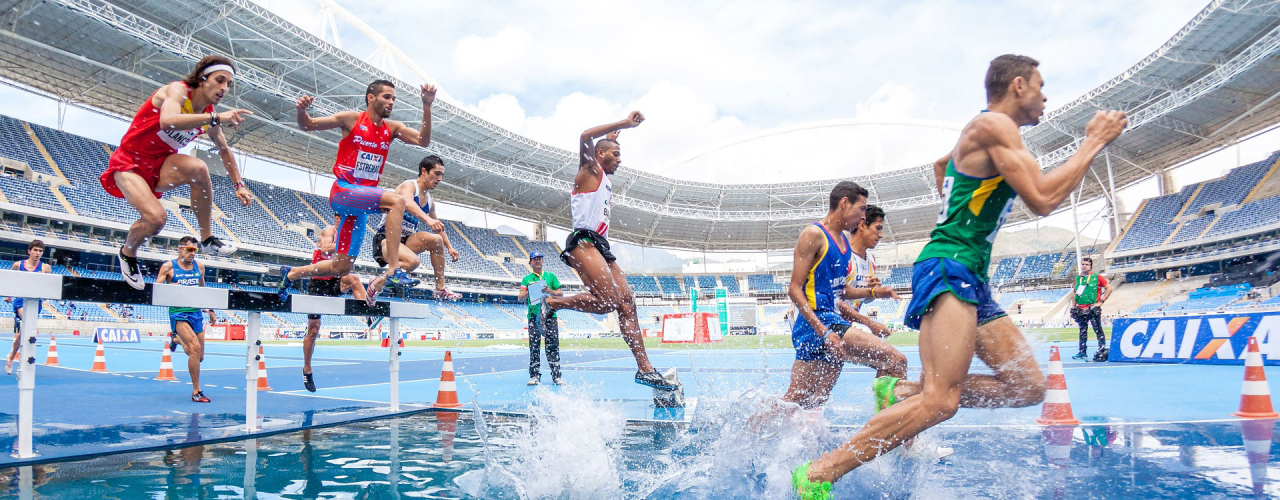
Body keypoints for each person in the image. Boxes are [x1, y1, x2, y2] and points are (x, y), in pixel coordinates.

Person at [792, 54, 1127, 497]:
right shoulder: (994, 126)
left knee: (1027, 386)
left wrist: (959, 215)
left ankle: (901, 390)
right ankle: (818, 474)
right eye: (1041, 86)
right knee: (941, 401)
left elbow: (940, 166)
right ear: (1019, 86)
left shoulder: (982, 135)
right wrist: (1092, 143)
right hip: (950, 266)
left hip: (969, 270)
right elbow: (1043, 199)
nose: (1046, 97)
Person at [537, 114, 678, 390]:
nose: (620, 159)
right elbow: (585, 136)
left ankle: (645, 369)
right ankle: (552, 303)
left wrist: (614, 136)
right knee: (607, 301)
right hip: (583, 242)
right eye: (615, 154)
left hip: (602, 246)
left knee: (627, 303)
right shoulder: (589, 170)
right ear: (599, 155)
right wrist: (623, 123)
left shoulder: (602, 172)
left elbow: (603, 142)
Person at [278, 79, 437, 304]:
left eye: (394, 99)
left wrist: (427, 106)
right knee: (397, 201)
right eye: (386, 97)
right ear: (371, 98)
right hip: (344, 191)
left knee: (341, 266)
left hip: (361, 204)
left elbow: (423, 141)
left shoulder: (392, 129)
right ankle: (393, 270)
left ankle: (291, 273)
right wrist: (302, 111)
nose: (391, 102)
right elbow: (308, 125)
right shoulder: (350, 119)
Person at [101, 55, 253, 289]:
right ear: (202, 79)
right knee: (156, 219)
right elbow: (168, 121)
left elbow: (224, 150)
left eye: (229, 84)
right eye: (220, 80)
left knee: (199, 169)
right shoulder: (178, 91)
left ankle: (207, 238)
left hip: (160, 165)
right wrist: (215, 117)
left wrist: (238, 185)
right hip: (130, 162)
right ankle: (128, 253)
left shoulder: (209, 114)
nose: (224, 88)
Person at [778, 188, 903, 412]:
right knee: (896, 360)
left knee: (804, 399)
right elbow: (794, 289)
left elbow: (841, 290)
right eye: (862, 208)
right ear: (844, 203)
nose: (863, 217)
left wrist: (872, 293)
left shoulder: (843, 243)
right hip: (818, 321)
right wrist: (824, 332)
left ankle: (750, 428)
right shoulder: (814, 234)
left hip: (828, 323)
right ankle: (892, 435)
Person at [372, 155, 461, 300]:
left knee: (436, 239)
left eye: (442, 175)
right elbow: (406, 202)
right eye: (437, 174)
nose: (440, 179)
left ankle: (440, 288)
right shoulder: (409, 185)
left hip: (405, 241)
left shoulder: (430, 202)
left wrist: (449, 247)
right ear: (424, 171)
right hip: (386, 240)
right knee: (412, 262)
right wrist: (427, 219)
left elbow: (437, 225)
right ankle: (378, 283)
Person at [301, 220, 368, 392]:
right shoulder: (329, 230)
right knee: (314, 331)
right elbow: (325, 248)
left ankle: (368, 313)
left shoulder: (348, 235)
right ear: (338, 219)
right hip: (317, 283)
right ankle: (307, 368)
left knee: (354, 280)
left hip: (334, 280)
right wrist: (347, 245)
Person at [156, 236, 212, 403]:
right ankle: (196, 391)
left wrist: (210, 310)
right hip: (179, 313)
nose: (193, 253)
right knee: (194, 348)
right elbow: (156, 290)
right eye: (190, 249)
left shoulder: (199, 267)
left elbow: (203, 289)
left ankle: (177, 340)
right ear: (180, 249)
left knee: (199, 355)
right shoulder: (168, 267)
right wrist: (168, 287)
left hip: (196, 313)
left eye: (195, 250)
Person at [518, 251, 563, 386]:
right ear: (530, 262)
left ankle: (556, 376)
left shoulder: (551, 276)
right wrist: (530, 291)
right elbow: (520, 297)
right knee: (534, 346)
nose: (538, 261)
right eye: (535, 259)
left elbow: (560, 293)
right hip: (534, 316)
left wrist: (550, 291)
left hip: (550, 315)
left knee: (553, 345)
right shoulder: (527, 279)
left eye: (540, 259)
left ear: (543, 261)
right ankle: (534, 376)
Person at [5, 240, 49, 375]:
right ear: (29, 251)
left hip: (36, 302)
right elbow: (8, 279)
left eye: (40, 251)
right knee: (28, 326)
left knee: (25, 331)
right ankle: (17, 360)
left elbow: (48, 286)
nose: (38, 253)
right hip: (21, 301)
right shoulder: (18, 265)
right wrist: (7, 295)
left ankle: (12, 356)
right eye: (35, 250)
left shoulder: (45, 268)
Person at [1070, 256, 1112, 361]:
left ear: (1091, 266)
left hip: (1093, 307)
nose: (1084, 266)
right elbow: (1075, 294)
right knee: (1082, 331)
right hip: (1080, 308)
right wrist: (1073, 308)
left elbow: (1109, 288)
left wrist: (1101, 302)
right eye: (1083, 264)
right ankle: (1082, 351)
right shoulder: (1078, 278)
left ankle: (1102, 349)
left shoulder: (1097, 277)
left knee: (1098, 329)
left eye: (1086, 264)